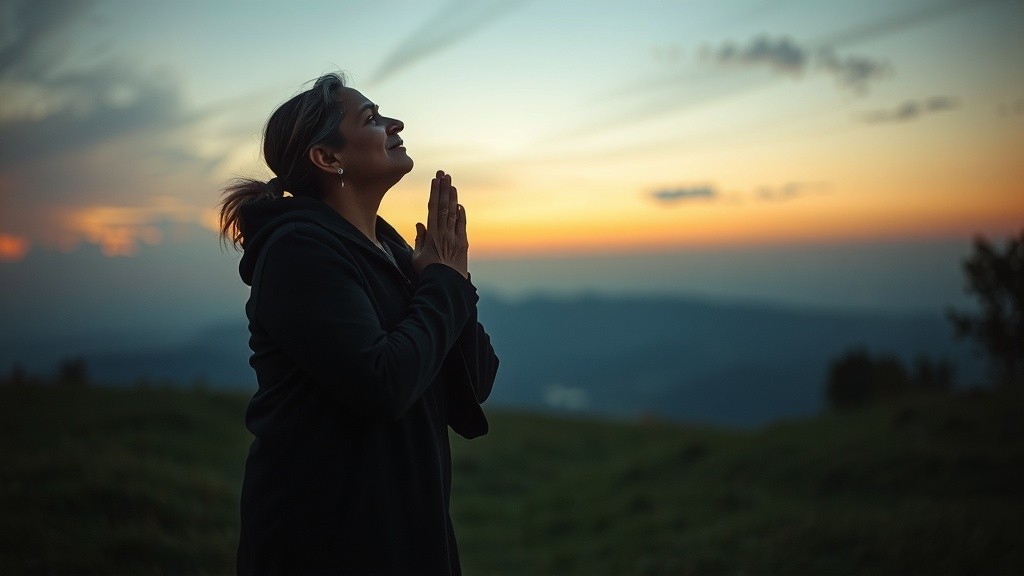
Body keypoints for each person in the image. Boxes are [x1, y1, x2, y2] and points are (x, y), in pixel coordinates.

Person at [219, 72, 499, 575]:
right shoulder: (299, 251)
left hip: (407, 530)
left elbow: (476, 382)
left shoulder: (391, 252)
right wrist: (442, 285)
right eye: (371, 118)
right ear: (328, 158)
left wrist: (448, 276)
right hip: (327, 541)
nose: (395, 124)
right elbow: (383, 383)